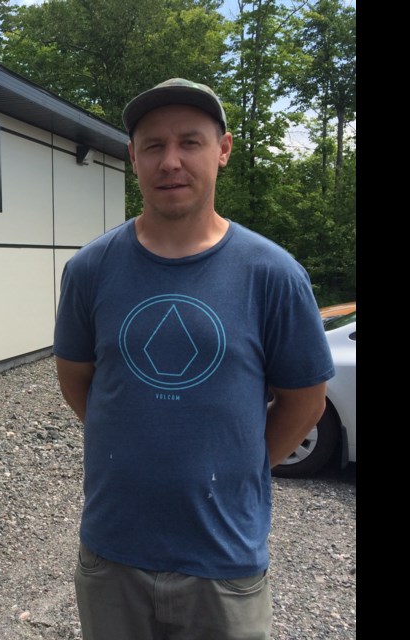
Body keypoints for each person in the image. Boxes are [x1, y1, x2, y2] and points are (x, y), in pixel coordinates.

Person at [52, 78, 334, 640]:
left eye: (190, 142)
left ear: (223, 149)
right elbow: (77, 382)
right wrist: (143, 439)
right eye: (153, 146)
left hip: (224, 562)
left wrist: (241, 465)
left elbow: (305, 402)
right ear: (133, 157)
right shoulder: (90, 269)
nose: (171, 161)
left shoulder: (273, 274)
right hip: (113, 555)